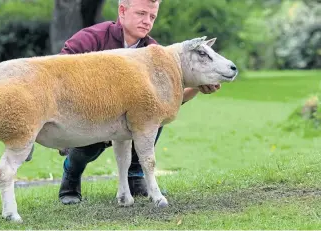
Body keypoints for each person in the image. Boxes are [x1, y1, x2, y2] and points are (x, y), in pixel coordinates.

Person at [30, 0, 221, 204]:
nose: (147, 21)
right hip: (85, 114)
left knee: (152, 115)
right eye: (141, 13)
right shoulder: (90, 39)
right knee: (89, 147)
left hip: (128, 118)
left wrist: (197, 88)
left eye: (152, 16)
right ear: (122, 11)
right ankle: (71, 177)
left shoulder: (154, 52)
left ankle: (135, 177)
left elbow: (166, 101)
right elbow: (54, 75)